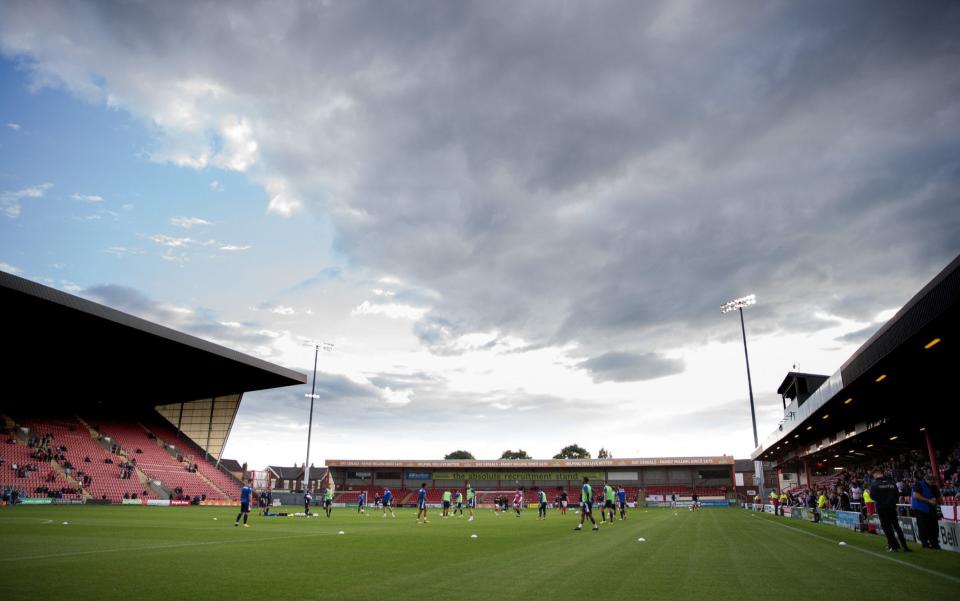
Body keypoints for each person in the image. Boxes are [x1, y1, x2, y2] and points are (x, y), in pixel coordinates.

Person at [870, 470, 911, 552]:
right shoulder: (892, 483)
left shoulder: (874, 485)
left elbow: (873, 497)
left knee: (887, 528)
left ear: (875, 475)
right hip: (892, 508)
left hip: (882, 508)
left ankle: (893, 546)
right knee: (897, 527)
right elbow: (897, 495)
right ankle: (905, 546)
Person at [912, 472, 942, 549]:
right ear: (926, 479)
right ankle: (925, 543)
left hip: (931, 509)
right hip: (920, 509)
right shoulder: (919, 484)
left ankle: (934, 543)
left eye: (933, 480)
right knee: (923, 526)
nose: (932, 482)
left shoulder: (934, 487)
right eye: (931, 480)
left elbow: (939, 498)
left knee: (934, 526)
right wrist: (928, 500)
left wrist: (937, 501)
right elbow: (916, 495)